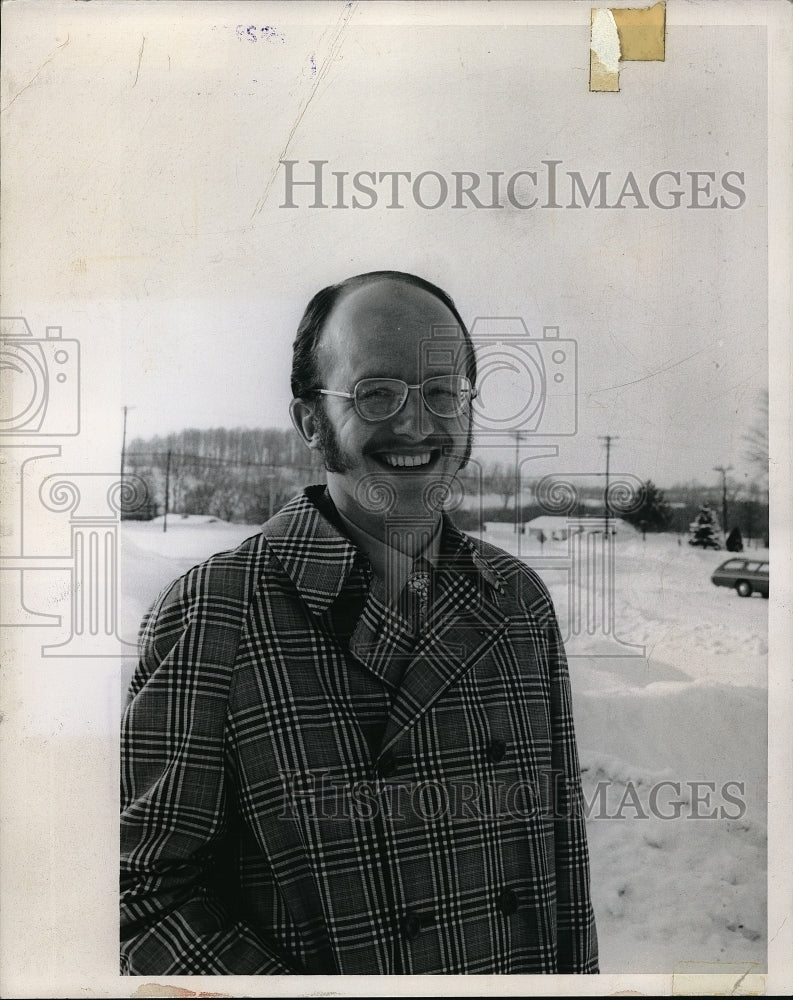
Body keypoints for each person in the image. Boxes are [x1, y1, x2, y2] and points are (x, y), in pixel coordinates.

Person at [120, 270, 598, 976]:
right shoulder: (215, 613)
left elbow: (561, 864)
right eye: (376, 393)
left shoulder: (518, 601)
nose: (415, 423)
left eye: (442, 391)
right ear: (312, 422)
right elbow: (141, 900)